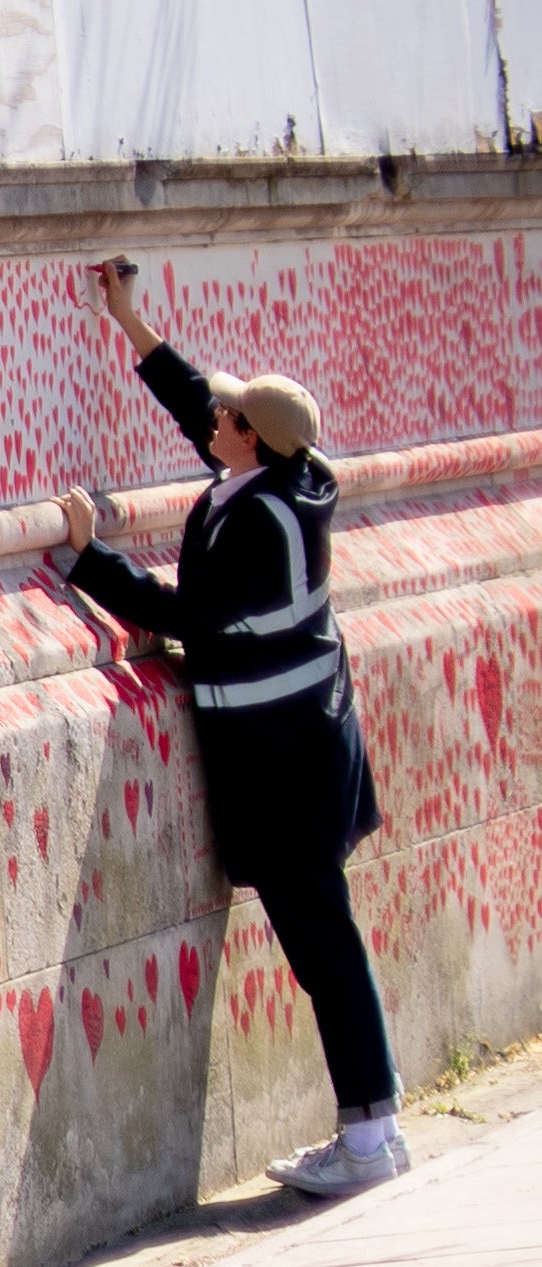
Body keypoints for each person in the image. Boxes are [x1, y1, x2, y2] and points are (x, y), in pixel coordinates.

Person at [51, 257, 402, 1195]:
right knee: (327, 945)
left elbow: (187, 619)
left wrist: (91, 561)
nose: (215, 418)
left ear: (250, 443)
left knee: (323, 949)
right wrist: (131, 325)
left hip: (285, 768)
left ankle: (368, 1140)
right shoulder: (282, 478)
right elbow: (197, 401)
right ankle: (374, 1128)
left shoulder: (262, 528)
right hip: (298, 755)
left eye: (230, 417)